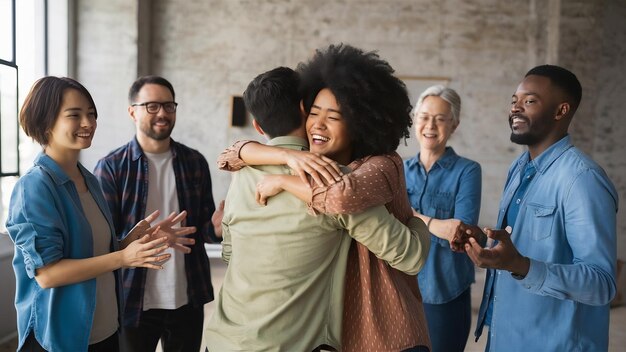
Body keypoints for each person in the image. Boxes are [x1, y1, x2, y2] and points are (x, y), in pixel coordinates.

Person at [218, 44, 432, 352]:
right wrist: (274, 155)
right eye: (313, 113)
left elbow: (342, 197)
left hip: (388, 328)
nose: (318, 124)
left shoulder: (381, 164)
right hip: (340, 334)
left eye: (333, 117)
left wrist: (283, 179)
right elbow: (230, 154)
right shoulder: (308, 165)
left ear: (360, 122)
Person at [6, 76, 193, 352]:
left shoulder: (88, 179)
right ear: (46, 122)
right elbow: (47, 273)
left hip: (105, 330)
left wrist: (128, 244)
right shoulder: (34, 187)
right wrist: (122, 257)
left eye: (92, 114)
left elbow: (88, 253)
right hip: (60, 337)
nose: (88, 123)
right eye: (75, 115)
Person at [466, 65, 618, 351]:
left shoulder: (583, 180)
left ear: (561, 111)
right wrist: (479, 239)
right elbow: (518, 245)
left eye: (529, 101)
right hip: (506, 338)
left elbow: (601, 283)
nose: (516, 109)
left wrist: (520, 265)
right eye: (514, 101)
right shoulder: (519, 168)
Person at [94, 75, 218, 352]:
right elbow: (103, 243)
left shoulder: (195, 162)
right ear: (132, 111)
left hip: (187, 296)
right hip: (134, 299)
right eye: (151, 106)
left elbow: (202, 232)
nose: (162, 113)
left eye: (168, 106)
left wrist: (219, 228)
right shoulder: (112, 167)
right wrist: (146, 238)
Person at [403, 85, 482, 351]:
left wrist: (411, 216)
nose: (430, 125)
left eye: (440, 118)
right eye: (424, 116)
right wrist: (436, 225)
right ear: (415, 120)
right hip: (401, 291)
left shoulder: (468, 171)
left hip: (445, 291)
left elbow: (460, 232)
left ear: (454, 125)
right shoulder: (398, 170)